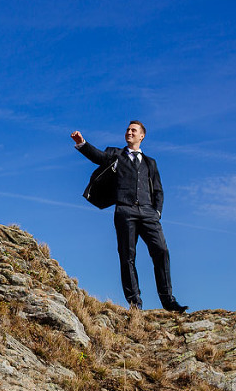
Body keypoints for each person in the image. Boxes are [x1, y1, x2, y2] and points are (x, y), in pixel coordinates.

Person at [71, 122, 188, 312]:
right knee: (127, 256)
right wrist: (82, 143)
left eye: (133, 130)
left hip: (149, 213)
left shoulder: (151, 163)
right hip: (125, 211)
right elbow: (98, 157)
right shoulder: (116, 154)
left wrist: (156, 212)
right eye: (127, 130)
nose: (129, 132)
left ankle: (169, 301)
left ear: (142, 136)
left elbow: (158, 190)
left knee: (161, 251)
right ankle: (135, 303)